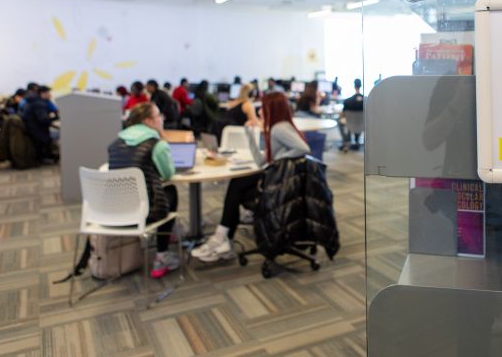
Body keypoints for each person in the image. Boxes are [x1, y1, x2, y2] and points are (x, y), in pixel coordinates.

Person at [192, 92, 310, 262]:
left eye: (263, 107)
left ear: (272, 109)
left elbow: (303, 148)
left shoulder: (279, 128)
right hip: (278, 181)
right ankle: (223, 238)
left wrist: (277, 162)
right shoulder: (276, 128)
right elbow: (260, 161)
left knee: (236, 188)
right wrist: (249, 134)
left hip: (280, 188)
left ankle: (222, 237)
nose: (260, 111)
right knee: (237, 187)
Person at [107, 103, 180, 278]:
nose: (162, 118)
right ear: (148, 121)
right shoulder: (157, 144)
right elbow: (168, 173)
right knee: (170, 191)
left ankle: (168, 236)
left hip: (115, 210)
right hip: (144, 213)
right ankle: (161, 256)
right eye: (158, 115)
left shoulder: (115, 143)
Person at [20, 85, 57, 160]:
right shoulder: (39, 104)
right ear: (42, 93)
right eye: (48, 93)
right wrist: (54, 118)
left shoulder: (34, 101)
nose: (50, 95)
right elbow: (44, 120)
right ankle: (47, 155)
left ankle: (47, 154)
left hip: (31, 129)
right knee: (57, 134)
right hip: (37, 131)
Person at [339, 78, 364, 151]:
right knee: (357, 122)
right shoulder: (366, 100)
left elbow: (342, 115)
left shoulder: (347, 101)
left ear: (354, 86)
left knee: (339, 121)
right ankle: (356, 140)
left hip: (350, 123)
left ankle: (347, 140)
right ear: (361, 86)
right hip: (363, 124)